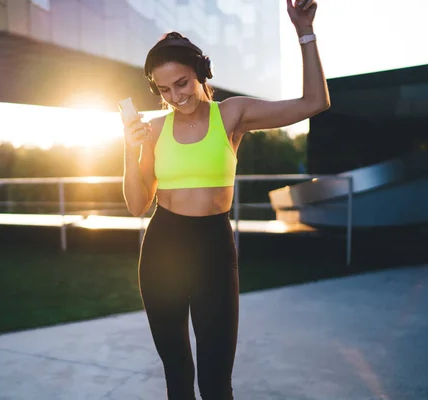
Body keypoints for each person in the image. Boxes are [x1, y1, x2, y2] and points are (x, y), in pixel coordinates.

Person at [121, 1, 329, 399]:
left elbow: (313, 103)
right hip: (163, 246)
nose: (175, 96)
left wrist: (305, 32)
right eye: (163, 90)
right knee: (177, 374)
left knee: (216, 380)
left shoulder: (231, 115)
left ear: (200, 73)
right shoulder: (151, 129)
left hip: (214, 248)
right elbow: (135, 204)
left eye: (181, 83)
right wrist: (130, 151)